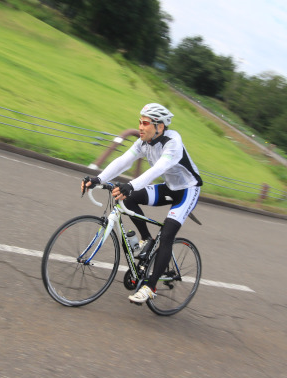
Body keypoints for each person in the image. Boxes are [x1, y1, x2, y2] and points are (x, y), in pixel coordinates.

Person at [81, 103, 202, 303]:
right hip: (170, 187)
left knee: (168, 234)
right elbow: (123, 160)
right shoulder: (144, 142)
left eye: (145, 123)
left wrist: (131, 184)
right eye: (139, 122)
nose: (140, 126)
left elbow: (158, 168)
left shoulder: (173, 142)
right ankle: (146, 239)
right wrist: (98, 179)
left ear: (159, 126)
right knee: (128, 198)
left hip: (188, 190)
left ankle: (150, 286)